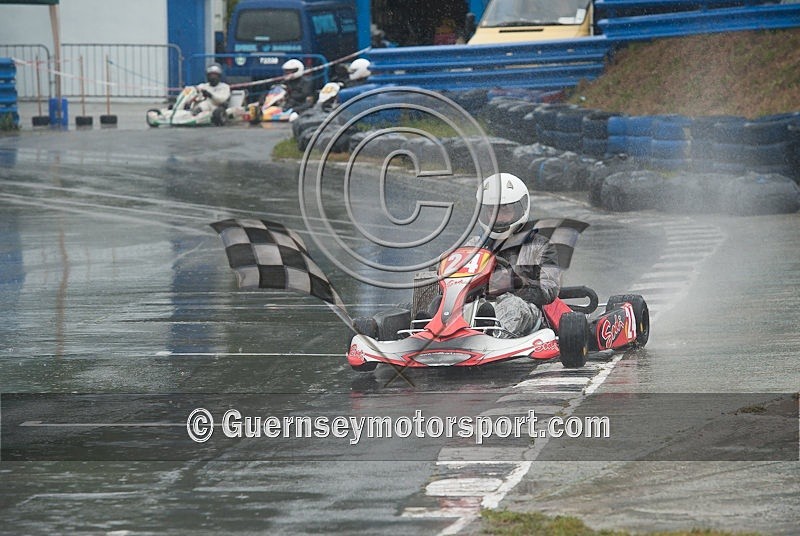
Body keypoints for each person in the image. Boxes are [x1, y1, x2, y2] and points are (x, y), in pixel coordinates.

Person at [474, 173, 561, 337]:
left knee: (512, 306)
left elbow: (550, 290)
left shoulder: (540, 245)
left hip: (526, 309)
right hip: (477, 305)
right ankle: (423, 334)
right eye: (491, 210)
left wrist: (515, 283)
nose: (496, 217)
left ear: (520, 208)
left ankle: (490, 336)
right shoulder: (474, 246)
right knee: (439, 303)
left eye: (504, 210)